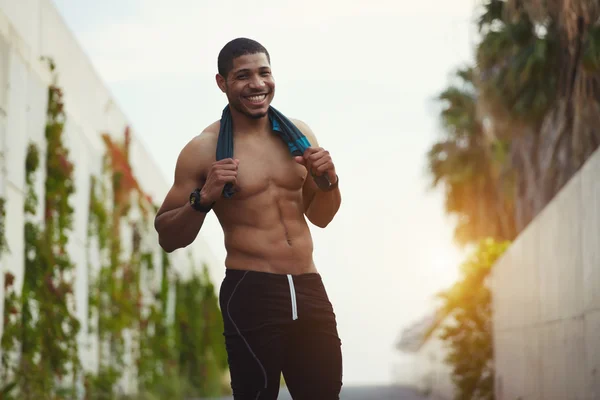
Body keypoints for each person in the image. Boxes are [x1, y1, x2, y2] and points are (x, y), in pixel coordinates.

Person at [154, 37, 343, 399]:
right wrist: (204, 198)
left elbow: (322, 217)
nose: (257, 84)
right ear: (222, 83)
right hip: (251, 290)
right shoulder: (203, 150)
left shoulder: (299, 137)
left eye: (264, 73)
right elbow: (167, 235)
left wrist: (329, 181)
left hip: (308, 285)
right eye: (243, 76)